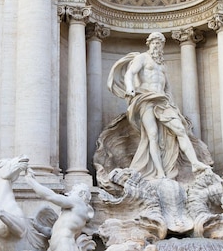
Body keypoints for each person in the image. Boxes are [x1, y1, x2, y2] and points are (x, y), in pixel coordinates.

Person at [107, 32, 209, 180]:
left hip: (163, 101)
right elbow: (130, 73)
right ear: (149, 44)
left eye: (159, 43)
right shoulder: (142, 58)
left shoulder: (162, 65)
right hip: (146, 99)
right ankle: (160, 172)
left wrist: (173, 106)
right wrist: (129, 88)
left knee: (180, 129)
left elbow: (167, 88)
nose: (157, 46)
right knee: (152, 135)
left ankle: (195, 163)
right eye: (154, 43)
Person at [25, 172, 94, 251]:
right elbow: (54, 232)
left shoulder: (79, 202)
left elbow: (51, 196)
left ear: (82, 193)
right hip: (55, 247)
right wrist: (38, 226)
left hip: (65, 246)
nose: (70, 193)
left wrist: (32, 182)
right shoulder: (71, 212)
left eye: (73, 190)